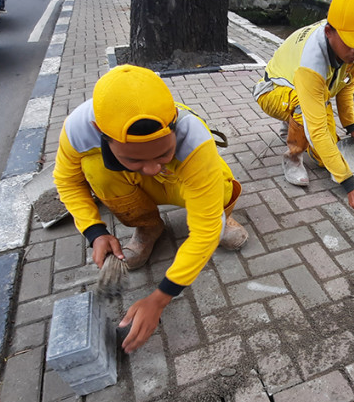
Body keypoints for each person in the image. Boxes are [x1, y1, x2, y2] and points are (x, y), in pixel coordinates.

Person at [54, 65, 248, 354]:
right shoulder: (78, 129)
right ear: (100, 132)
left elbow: (204, 231)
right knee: (95, 169)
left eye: (164, 153)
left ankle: (222, 214)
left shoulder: (192, 135)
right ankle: (148, 226)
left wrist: (159, 298)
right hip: (135, 186)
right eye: (134, 159)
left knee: (219, 188)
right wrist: (94, 231)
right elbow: (67, 182)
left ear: (173, 121)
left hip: (181, 182)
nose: (152, 168)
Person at [252, 0, 354, 221]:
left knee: (326, 159)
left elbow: (347, 83)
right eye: (351, 42)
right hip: (272, 91)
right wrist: (350, 184)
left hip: (306, 90)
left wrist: (351, 126)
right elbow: (318, 130)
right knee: (306, 113)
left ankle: (292, 124)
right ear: (329, 32)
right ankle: (292, 158)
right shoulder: (311, 63)